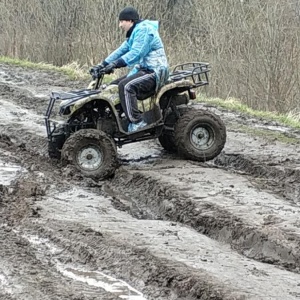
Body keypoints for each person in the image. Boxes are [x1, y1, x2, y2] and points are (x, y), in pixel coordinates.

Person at [93, 7, 169, 132]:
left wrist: (117, 64)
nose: (120, 25)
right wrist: (103, 64)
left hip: (155, 71)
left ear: (130, 21)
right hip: (144, 69)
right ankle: (117, 119)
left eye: (121, 21)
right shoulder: (136, 31)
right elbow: (122, 49)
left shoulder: (145, 31)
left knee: (126, 86)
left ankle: (137, 122)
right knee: (114, 86)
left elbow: (137, 53)